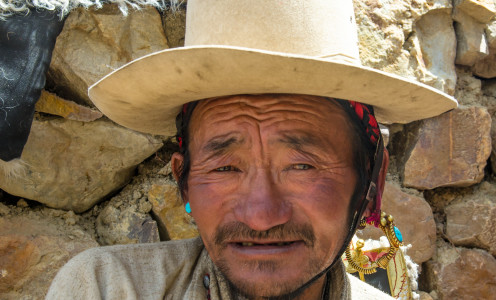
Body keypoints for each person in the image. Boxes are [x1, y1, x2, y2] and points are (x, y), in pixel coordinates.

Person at [45, 0, 457, 299]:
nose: (261, 217)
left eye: (301, 165)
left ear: (372, 180)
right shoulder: (106, 288)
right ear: (183, 182)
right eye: (225, 168)